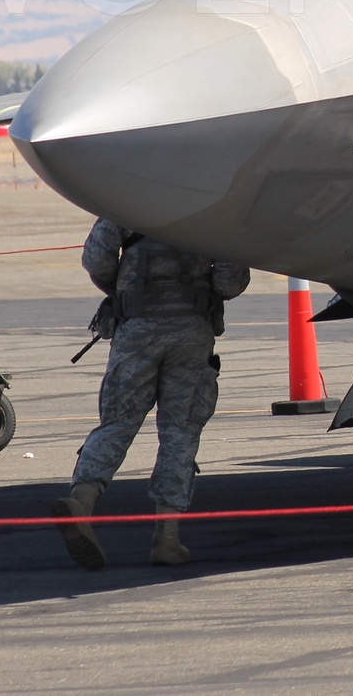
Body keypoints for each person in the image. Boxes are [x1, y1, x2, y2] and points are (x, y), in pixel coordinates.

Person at [51, 219, 249, 570]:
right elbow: (230, 282)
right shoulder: (212, 203)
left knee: (117, 423)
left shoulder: (131, 198)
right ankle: (167, 539)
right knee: (180, 433)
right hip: (191, 332)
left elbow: (96, 260)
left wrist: (124, 289)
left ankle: (81, 502)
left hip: (136, 330)